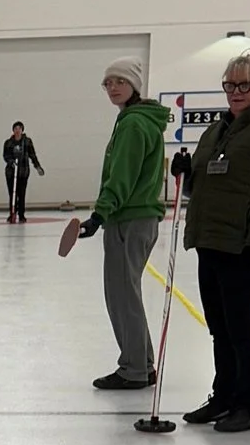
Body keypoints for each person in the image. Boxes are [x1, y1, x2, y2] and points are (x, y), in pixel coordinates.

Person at [179, 50, 250, 431]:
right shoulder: (216, 130)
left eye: (245, 85)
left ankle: (248, 404)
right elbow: (201, 186)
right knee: (219, 327)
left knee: (242, 327)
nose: (236, 92)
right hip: (211, 240)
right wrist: (185, 173)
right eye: (230, 84)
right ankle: (224, 396)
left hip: (245, 245)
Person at [58, 70, 174, 389]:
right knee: (126, 292)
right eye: (107, 83)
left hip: (130, 219)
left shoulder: (134, 124)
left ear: (134, 84)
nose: (112, 88)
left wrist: (100, 215)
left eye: (119, 81)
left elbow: (121, 175)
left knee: (122, 295)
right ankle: (141, 362)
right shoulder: (135, 120)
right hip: (135, 217)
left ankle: (135, 369)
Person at [2, 121, 40, 222]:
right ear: (13, 130)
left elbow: (32, 154)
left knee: (21, 194)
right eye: (15, 129)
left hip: (23, 172)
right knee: (12, 194)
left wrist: (37, 166)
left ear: (22, 130)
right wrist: (11, 162)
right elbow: (5, 156)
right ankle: (12, 214)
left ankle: (21, 215)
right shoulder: (8, 143)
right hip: (11, 173)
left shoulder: (27, 142)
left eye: (19, 129)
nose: (17, 131)